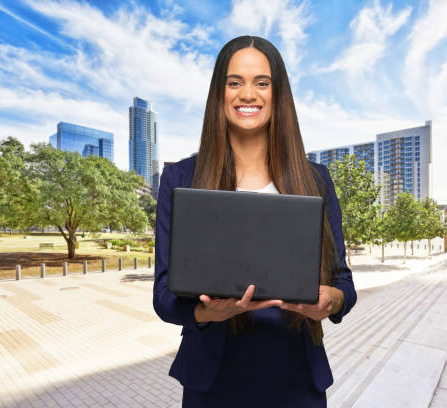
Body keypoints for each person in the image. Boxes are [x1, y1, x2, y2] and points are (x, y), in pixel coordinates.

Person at [153, 36, 357, 407]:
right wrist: (207, 311)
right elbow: (164, 296)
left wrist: (330, 301)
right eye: (235, 82)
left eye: (261, 82)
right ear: (219, 93)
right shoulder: (181, 179)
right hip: (212, 384)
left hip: (296, 380)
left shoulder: (316, 180)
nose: (248, 94)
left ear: (278, 95)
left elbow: (344, 283)